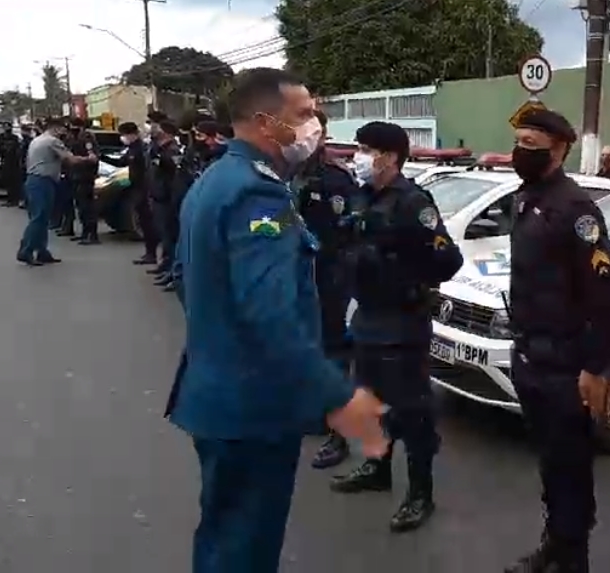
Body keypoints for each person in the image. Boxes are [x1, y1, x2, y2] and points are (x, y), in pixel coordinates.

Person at [165, 67, 388, 573]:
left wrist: (220, 338)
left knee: (222, 535)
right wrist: (339, 397)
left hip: (218, 395)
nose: (314, 125)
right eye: (304, 114)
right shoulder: (257, 193)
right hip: (254, 409)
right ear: (268, 123)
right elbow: (271, 314)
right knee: (246, 548)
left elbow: (184, 276)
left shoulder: (214, 180)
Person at [504, 109, 610, 573]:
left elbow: (603, 297)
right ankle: (554, 543)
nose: (522, 151)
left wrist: (595, 368)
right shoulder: (525, 198)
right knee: (551, 466)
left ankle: (574, 559)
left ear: (560, 150)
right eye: (519, 141)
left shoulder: (576, 210)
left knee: (571, 470)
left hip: (566, 366)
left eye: (532, 145)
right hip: (530, 356)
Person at [328, 120, 462, 533]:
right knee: (371, 403)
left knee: (413, 412)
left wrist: (406, 266)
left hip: (402, 325)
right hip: (367, 318)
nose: (359, 156)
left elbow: (447, 261)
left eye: (367, 149)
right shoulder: (362, 195)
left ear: (389, 157)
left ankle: (420, 493)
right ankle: (377, 468)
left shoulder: (411, 203)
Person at [293, 109, 363, 470]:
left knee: (335, 352)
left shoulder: (337, 179)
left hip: (332, 276)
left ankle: (339, 434)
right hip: (299, 276)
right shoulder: (286, 175)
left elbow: (352, 231)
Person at [17, 117, 96, 266]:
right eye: (63, 129)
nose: (64, 132)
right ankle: (26, 251)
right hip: (43, 181)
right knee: (39, 218)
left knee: (42, 218)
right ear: (56, 128)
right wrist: (89, 159)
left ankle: (42, 251)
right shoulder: (52, 141)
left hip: (34, 180)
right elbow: (70, 159)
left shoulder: (38, 140)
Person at [104, 122, 158, 266]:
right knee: (143, 220)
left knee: (147, 222)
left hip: (143, 188)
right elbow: (122, 162)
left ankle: (151, 253)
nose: (123, 138)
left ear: (132, 134)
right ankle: (149, 253)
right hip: (135, 187)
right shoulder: (132, 148)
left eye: (124, 134)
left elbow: (147, 169)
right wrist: (103, 158)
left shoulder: (142, 149)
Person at [149, 121, 183, 288]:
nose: (155, 130)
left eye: (159, 129)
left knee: (170, 236)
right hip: (158, 196)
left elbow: (172, 170)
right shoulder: (158, 148)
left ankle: (172, 273)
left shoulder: (172, 150)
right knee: (164, 235)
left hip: (167, 198)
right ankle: (165, 267)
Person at [66, 119, 101, 245]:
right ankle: (85, 233)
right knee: (81, 207)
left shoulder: (87, 138)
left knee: (88, 207)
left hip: (85, 176)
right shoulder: (73, 138)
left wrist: (79, 160)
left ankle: (92, 234)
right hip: (76, 176)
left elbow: (93, 158)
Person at [0, 123, 23, 207]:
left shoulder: (14, 137)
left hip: (13, 162)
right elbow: (1, 148)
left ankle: (14, 199)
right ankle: (10, 199)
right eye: (5, 126)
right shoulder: (1, 137)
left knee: (14, 181)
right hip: (5, 161)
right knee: (7, 180)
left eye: (8, 126)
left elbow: (16, 148)